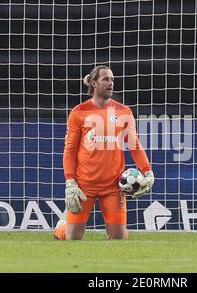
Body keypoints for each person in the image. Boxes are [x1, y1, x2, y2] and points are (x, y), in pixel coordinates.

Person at [53, 65, 154, 240]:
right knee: (72, 237)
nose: (111, 83)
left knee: (118, 237)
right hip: (84, 184)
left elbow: (134, 145)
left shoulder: (124, 111)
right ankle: (61, 228)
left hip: (113, 186)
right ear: (93, 83)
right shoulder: (79, 112)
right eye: (105, 79)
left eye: (112, 79)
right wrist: (70, 182)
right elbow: (70, 149)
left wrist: (148, 171)